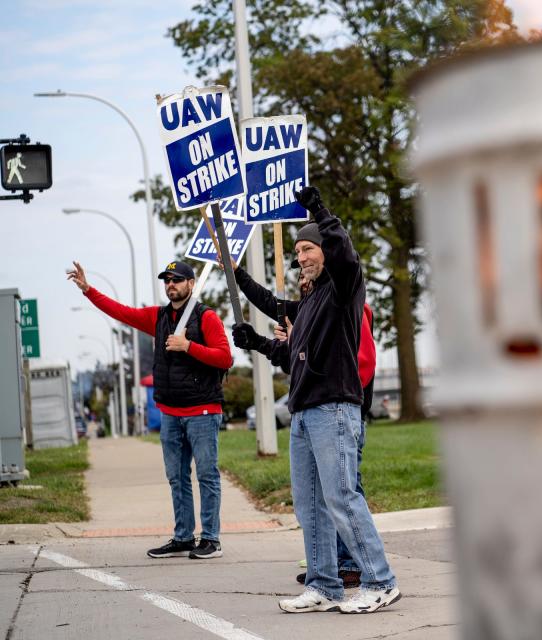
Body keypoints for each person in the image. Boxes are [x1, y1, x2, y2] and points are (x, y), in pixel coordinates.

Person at [232, 187, 400, 614]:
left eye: (308, 248)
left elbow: (346, 254)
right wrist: (253, 331)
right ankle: (325, 584)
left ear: (325, 250)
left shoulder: (343, 288)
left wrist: (320, 211)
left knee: (342, 496)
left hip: (335, 410)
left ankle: (380, 581)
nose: (301, 256)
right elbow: (287, 346)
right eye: (298, 250)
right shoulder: (306, 304)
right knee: (310, 506)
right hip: (304, 413)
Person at [68, 259, 232, 560]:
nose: (171, 284)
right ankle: (183, 538)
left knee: (207, 475)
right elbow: (122, 313)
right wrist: (89, 291)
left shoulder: (206, 317)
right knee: (176, 477)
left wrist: (188, 346)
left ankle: (211, 539)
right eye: (167, 280)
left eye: (177, 280)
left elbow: (225, 358)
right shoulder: (158, 318)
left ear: (191, 284)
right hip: (170, 412)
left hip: (202, 411)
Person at [231, 259, 377, 587]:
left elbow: (362, 363)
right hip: (316, 410)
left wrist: (349, 400)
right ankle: (328, 572)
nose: (303, 285)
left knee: (345, 491)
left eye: (306, 279)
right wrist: (237, 275)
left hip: (341, 410)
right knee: (325, 496)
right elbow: (273, 306)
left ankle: (357, 565)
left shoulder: (348, 310)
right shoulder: (313, 313)